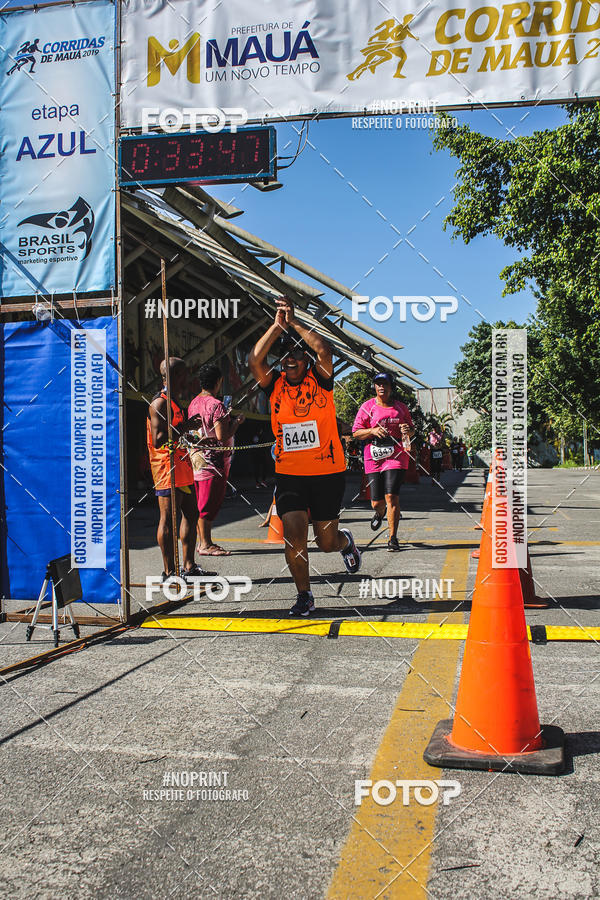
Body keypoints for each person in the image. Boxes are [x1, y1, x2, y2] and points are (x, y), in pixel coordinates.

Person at [248, 296, 361, 616]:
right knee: (294, 536)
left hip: (327, 473)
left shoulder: (321, 380)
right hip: (290, 475)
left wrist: (295, 322)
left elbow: (325, 351)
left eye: (296, 355)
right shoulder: (275, 386)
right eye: (284, 357)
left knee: (325, 542)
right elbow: (255, 361)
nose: (289, 362)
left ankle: (345, 543)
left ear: (305, 359)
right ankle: (304, 594)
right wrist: (276, 325)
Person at [146, 357, 214, 581]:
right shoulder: (160, 403)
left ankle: (189, 565)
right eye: (184, 374)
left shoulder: (174, 401)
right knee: (168, 518)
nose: (187, 378)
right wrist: (186, 426)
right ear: (174, 376)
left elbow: (178, 436)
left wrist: (199, 441)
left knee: (192, 514)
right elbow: (158, 439)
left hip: (182, 464)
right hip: (167, 467)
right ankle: (169, 572)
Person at [352, 373, 414, 551]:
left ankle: (393, 538)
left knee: (391, 496)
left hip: (396, 456)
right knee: (376, 502)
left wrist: (407, 429)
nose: (381, 387)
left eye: (385, 384)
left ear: (391, 387)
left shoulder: (401, 408)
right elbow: (356, 432)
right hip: (373, 456)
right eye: (378, 384)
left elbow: (411, 431)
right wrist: (372, 431)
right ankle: (380, 513)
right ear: (375, 387)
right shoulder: (367, 407)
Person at [188, 364, 245, 557]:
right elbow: (222, 435)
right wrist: (236, 422)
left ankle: (204, 542)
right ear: (219, 381)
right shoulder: (216, 405)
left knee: (200, 502)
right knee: (208, 504)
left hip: (196, 459)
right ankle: (205, 544)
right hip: (213, 464)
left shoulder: (193, 403)